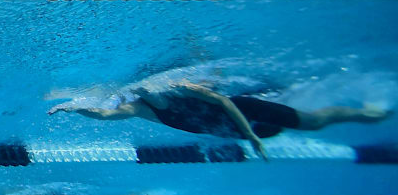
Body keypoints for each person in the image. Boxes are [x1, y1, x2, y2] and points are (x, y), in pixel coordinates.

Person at [47, 80, 390, 160]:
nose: (139, 98)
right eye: (138, 95)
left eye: (143, 93)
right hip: (244, 131)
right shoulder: (144, 108)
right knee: (279, 130)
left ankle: (369, 112)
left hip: (246, 114)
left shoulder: (182, 88)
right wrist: (74, 107)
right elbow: (107, 114)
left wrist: (249, 135)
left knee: (312, 122)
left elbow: (225, 103)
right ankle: (278, 89)